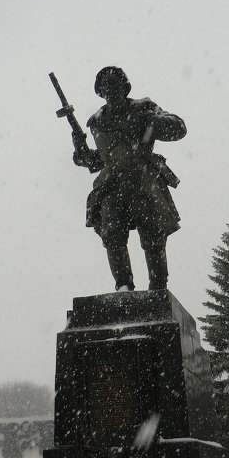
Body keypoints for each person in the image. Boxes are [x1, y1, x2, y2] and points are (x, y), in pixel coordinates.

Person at [72, 66, 186, 291]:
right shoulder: (96, 122)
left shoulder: (143, 108)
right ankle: (123, 287)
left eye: (115, 85)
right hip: (112, 184)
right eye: (105, 87)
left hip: (142, 179)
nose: (111, 90)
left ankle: (158, 289)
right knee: (113, 235)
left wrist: (151, 121)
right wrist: (81, 153)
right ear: (100, 91)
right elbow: (99, 161)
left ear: (125, 88)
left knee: (152, 236)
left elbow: (179, 127)